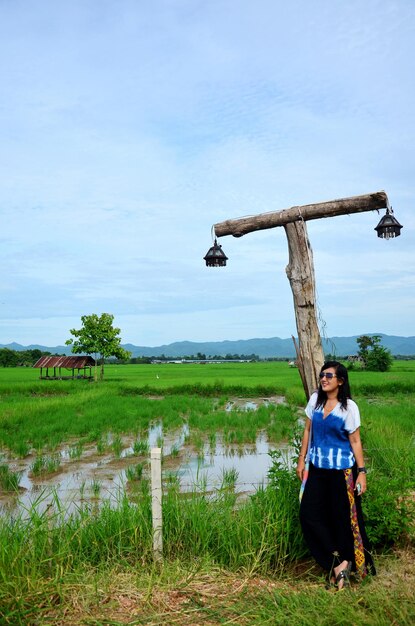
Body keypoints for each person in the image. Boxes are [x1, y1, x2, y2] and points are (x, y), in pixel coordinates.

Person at [296, 360, 375, 589]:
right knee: (308, 515)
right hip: (318, 470)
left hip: (343, 472)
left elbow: (355, 440)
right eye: (322, 375)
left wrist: (362, 472)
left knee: (343, 520)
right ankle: (336, 563)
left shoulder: (349, 408)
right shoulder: (315, 401)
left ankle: (346, 565)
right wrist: (302, 459)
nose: (323, 379)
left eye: (329, 376)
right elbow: (308, 430)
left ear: (340, 380)